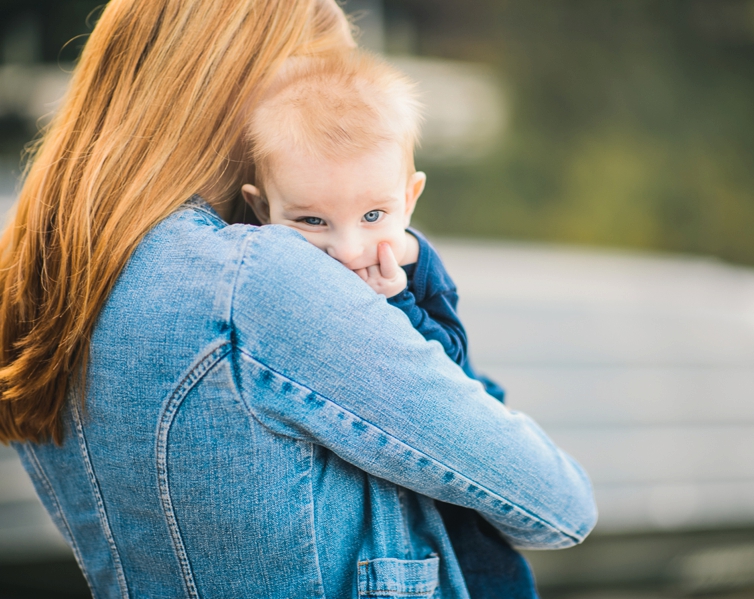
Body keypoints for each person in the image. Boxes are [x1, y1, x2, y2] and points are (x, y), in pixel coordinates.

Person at [0, 1, 597, 598]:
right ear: (229, 93)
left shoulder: (50, 281)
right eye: (304, 91)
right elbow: (560, 504)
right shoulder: (256, 280)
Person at [240, 51, 537, 598]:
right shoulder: (255, 273)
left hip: (453, 436)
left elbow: (450, 362)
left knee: (484, 567)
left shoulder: (413, 264)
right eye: (311, 221)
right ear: (260, 211)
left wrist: (399, 303)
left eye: (373, 216)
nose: (349, 250)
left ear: (409, 197)